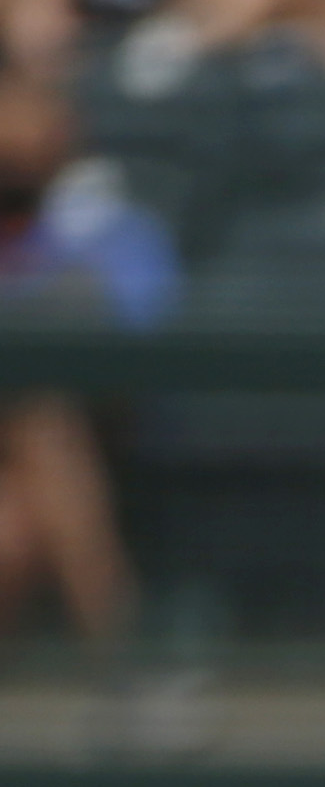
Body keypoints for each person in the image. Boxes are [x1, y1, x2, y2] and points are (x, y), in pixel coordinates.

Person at [0, 72, 171, 653]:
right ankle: (123, 663)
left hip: (89, 421)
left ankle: (120, 664)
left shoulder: (104, 219)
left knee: (39, 439)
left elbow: (138, 318)